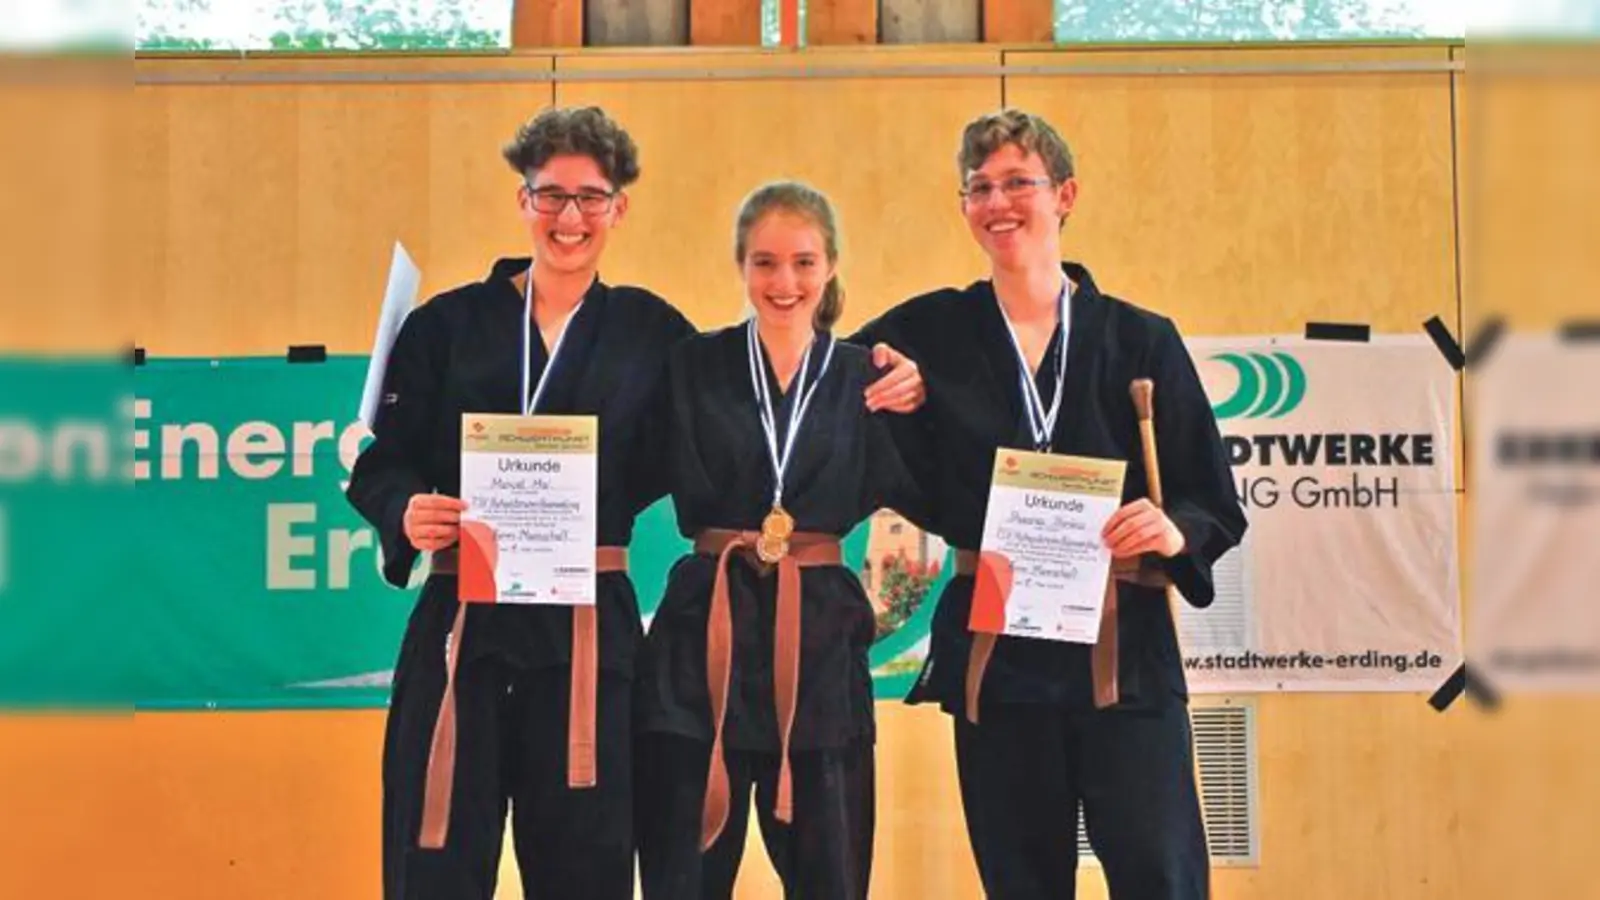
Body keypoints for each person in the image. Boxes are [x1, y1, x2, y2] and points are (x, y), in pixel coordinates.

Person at [345, 107, 927, 900]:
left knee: (587, 871)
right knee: (434, 862)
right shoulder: (446, 326)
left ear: (620, 207)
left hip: (588, 641)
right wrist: (405, 507)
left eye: (591, 197)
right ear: (523, 201)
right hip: (463, 626)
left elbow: (759, 399)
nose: (570, 218)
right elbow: (381, 460)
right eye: (551, 195)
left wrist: (878, 369)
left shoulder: (653, 335)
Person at [849, 108, 1248, 900]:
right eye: (979, 188)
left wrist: (1172, 528)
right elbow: (829, 390)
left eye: (1018, 183)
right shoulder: (931, 329)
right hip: (1000, 660)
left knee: (1162, 877)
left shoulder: (1141, 339)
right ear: (964, 207)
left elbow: (1214, 501)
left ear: (1064, 194)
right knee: (1020, 881)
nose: (999, 203)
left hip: (1123, 649)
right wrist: (896, 389)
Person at [632, 181, 936, 900]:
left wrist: (924, 404)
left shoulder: (870, 378)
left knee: (830, 879)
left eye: (803, 262)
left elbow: (940, 489)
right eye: (765, 262)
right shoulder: (691, 368)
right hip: (701, 645)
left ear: (830, 266)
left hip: (820, 647)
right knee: (683, 878)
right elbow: (618, 471)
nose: (784, 282)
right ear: (741, 265)